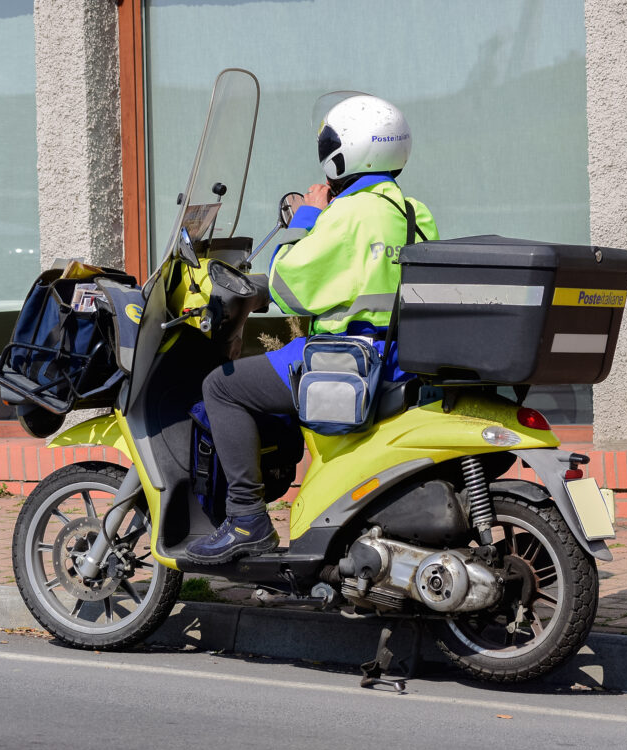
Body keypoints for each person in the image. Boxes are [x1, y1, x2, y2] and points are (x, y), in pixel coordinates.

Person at [185, 93, 438, 565]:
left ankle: (246, 519)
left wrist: (308, 216)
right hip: (397, 358)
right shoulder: (413, 212)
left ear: (347, 153)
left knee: (221, 388)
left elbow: (288, 285)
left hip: (344, 360)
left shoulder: (348, 212)